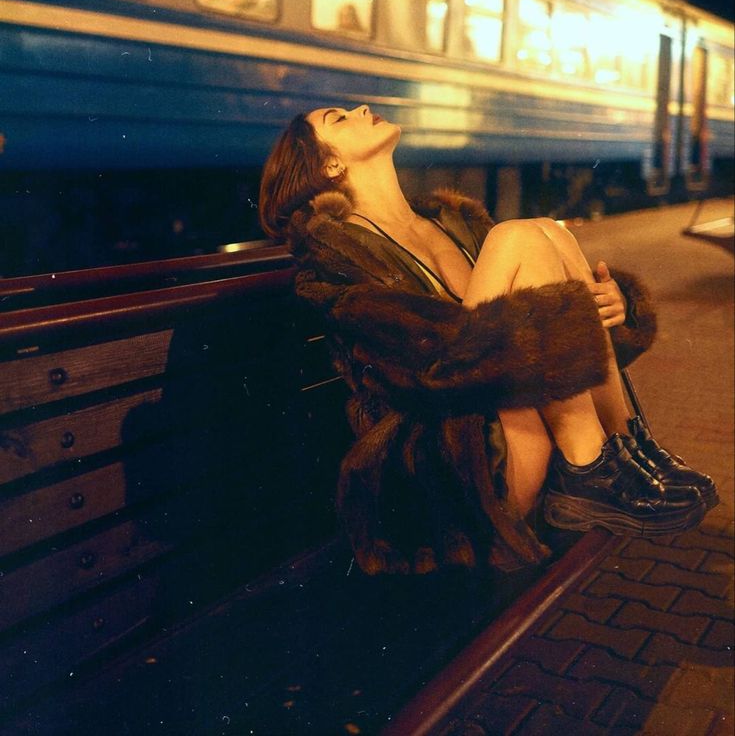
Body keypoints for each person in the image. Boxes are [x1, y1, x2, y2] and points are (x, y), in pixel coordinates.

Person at [259, 105, 717, 574]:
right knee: (518, 237)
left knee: (545, 233)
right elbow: (424, 369)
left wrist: (610, 305)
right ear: (329, 164)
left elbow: (558, 341)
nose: (361, 108)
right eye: (338, 119)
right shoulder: (336, 250)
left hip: (512, 419)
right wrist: (544, 312)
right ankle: (589, 462)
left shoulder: (454, 223)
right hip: (456, 465)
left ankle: (626, 447)